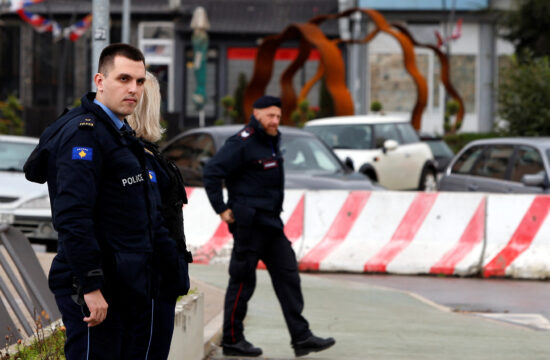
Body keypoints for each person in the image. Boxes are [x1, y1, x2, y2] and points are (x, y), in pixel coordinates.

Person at [24, 43, 179, 360]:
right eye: (123, 79)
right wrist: (91, 287)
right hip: (96, 290)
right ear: (100, 81)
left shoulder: (121, 133)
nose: (133, 89)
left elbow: (143, 214)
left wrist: (169, 272)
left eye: (139, 81)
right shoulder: (84, 134)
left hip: (127, 287)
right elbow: (73, 218)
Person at [203, 95, 336, 357]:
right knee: (242, 282)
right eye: (270, 116)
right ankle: (232, 339)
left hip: (271, 223)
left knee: (288, 276)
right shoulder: (242, 142)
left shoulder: (271, 139)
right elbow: (212, 172)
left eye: (278, 116)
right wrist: (221, 208)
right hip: (249, 224)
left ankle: (301, 337)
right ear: (257, 114)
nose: (275, 121)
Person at [127, 71, 192, 359]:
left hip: (154, 277)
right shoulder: (138, 156)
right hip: (154, 278)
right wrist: (176, 269)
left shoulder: (144, 152)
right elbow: (152, 221)